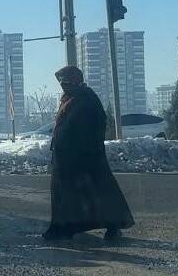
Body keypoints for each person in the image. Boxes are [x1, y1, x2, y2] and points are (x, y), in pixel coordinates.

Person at [44, 65, 135, 241]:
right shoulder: (70, 98)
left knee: (97, 190)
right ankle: (64, 228)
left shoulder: (87, 99)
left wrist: (80, 146)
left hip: (84, 156)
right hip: (66, 157)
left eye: (66, 81)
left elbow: (95, 125)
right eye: (61, 82)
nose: (63, 85)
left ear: (75, 81)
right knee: (68, 193)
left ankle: (113, 225)